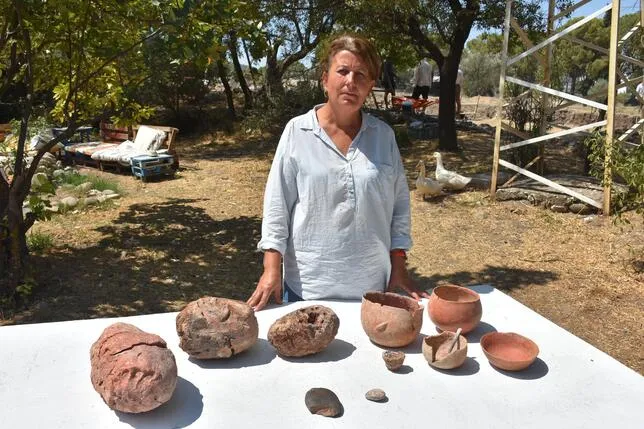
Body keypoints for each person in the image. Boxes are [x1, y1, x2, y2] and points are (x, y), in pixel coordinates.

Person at [247, 34, 429, 311]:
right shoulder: (298, 131)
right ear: (325, 79)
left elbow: (400, 209)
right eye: (342, 71)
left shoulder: (383, 136)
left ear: (370, 85)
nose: (350, 82)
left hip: (372, 289)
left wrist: (399, 266)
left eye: (361, 75)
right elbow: (277, 206)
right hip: (307, 290)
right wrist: (272, 269)